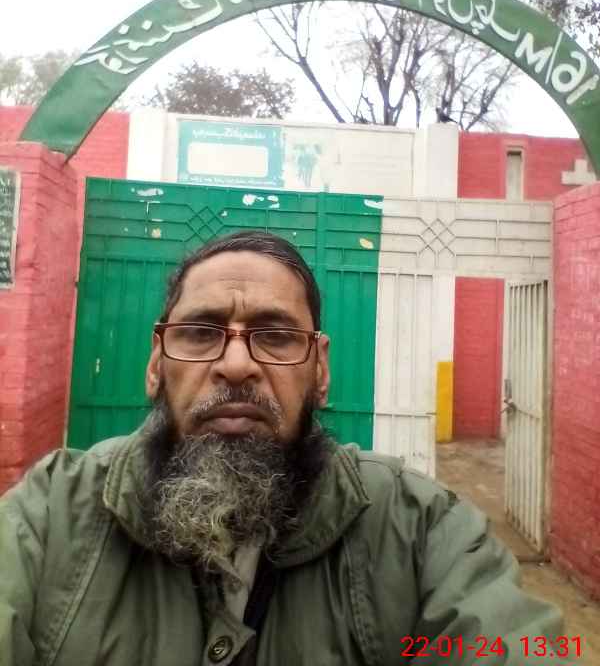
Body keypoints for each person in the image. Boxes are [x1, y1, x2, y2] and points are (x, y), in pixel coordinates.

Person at [0, 230, 572, 666]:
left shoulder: (421, 529)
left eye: (275, 336)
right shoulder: (51, 514)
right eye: (200, 333)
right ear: (156, 363)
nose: (236, 365)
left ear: (319, 369)